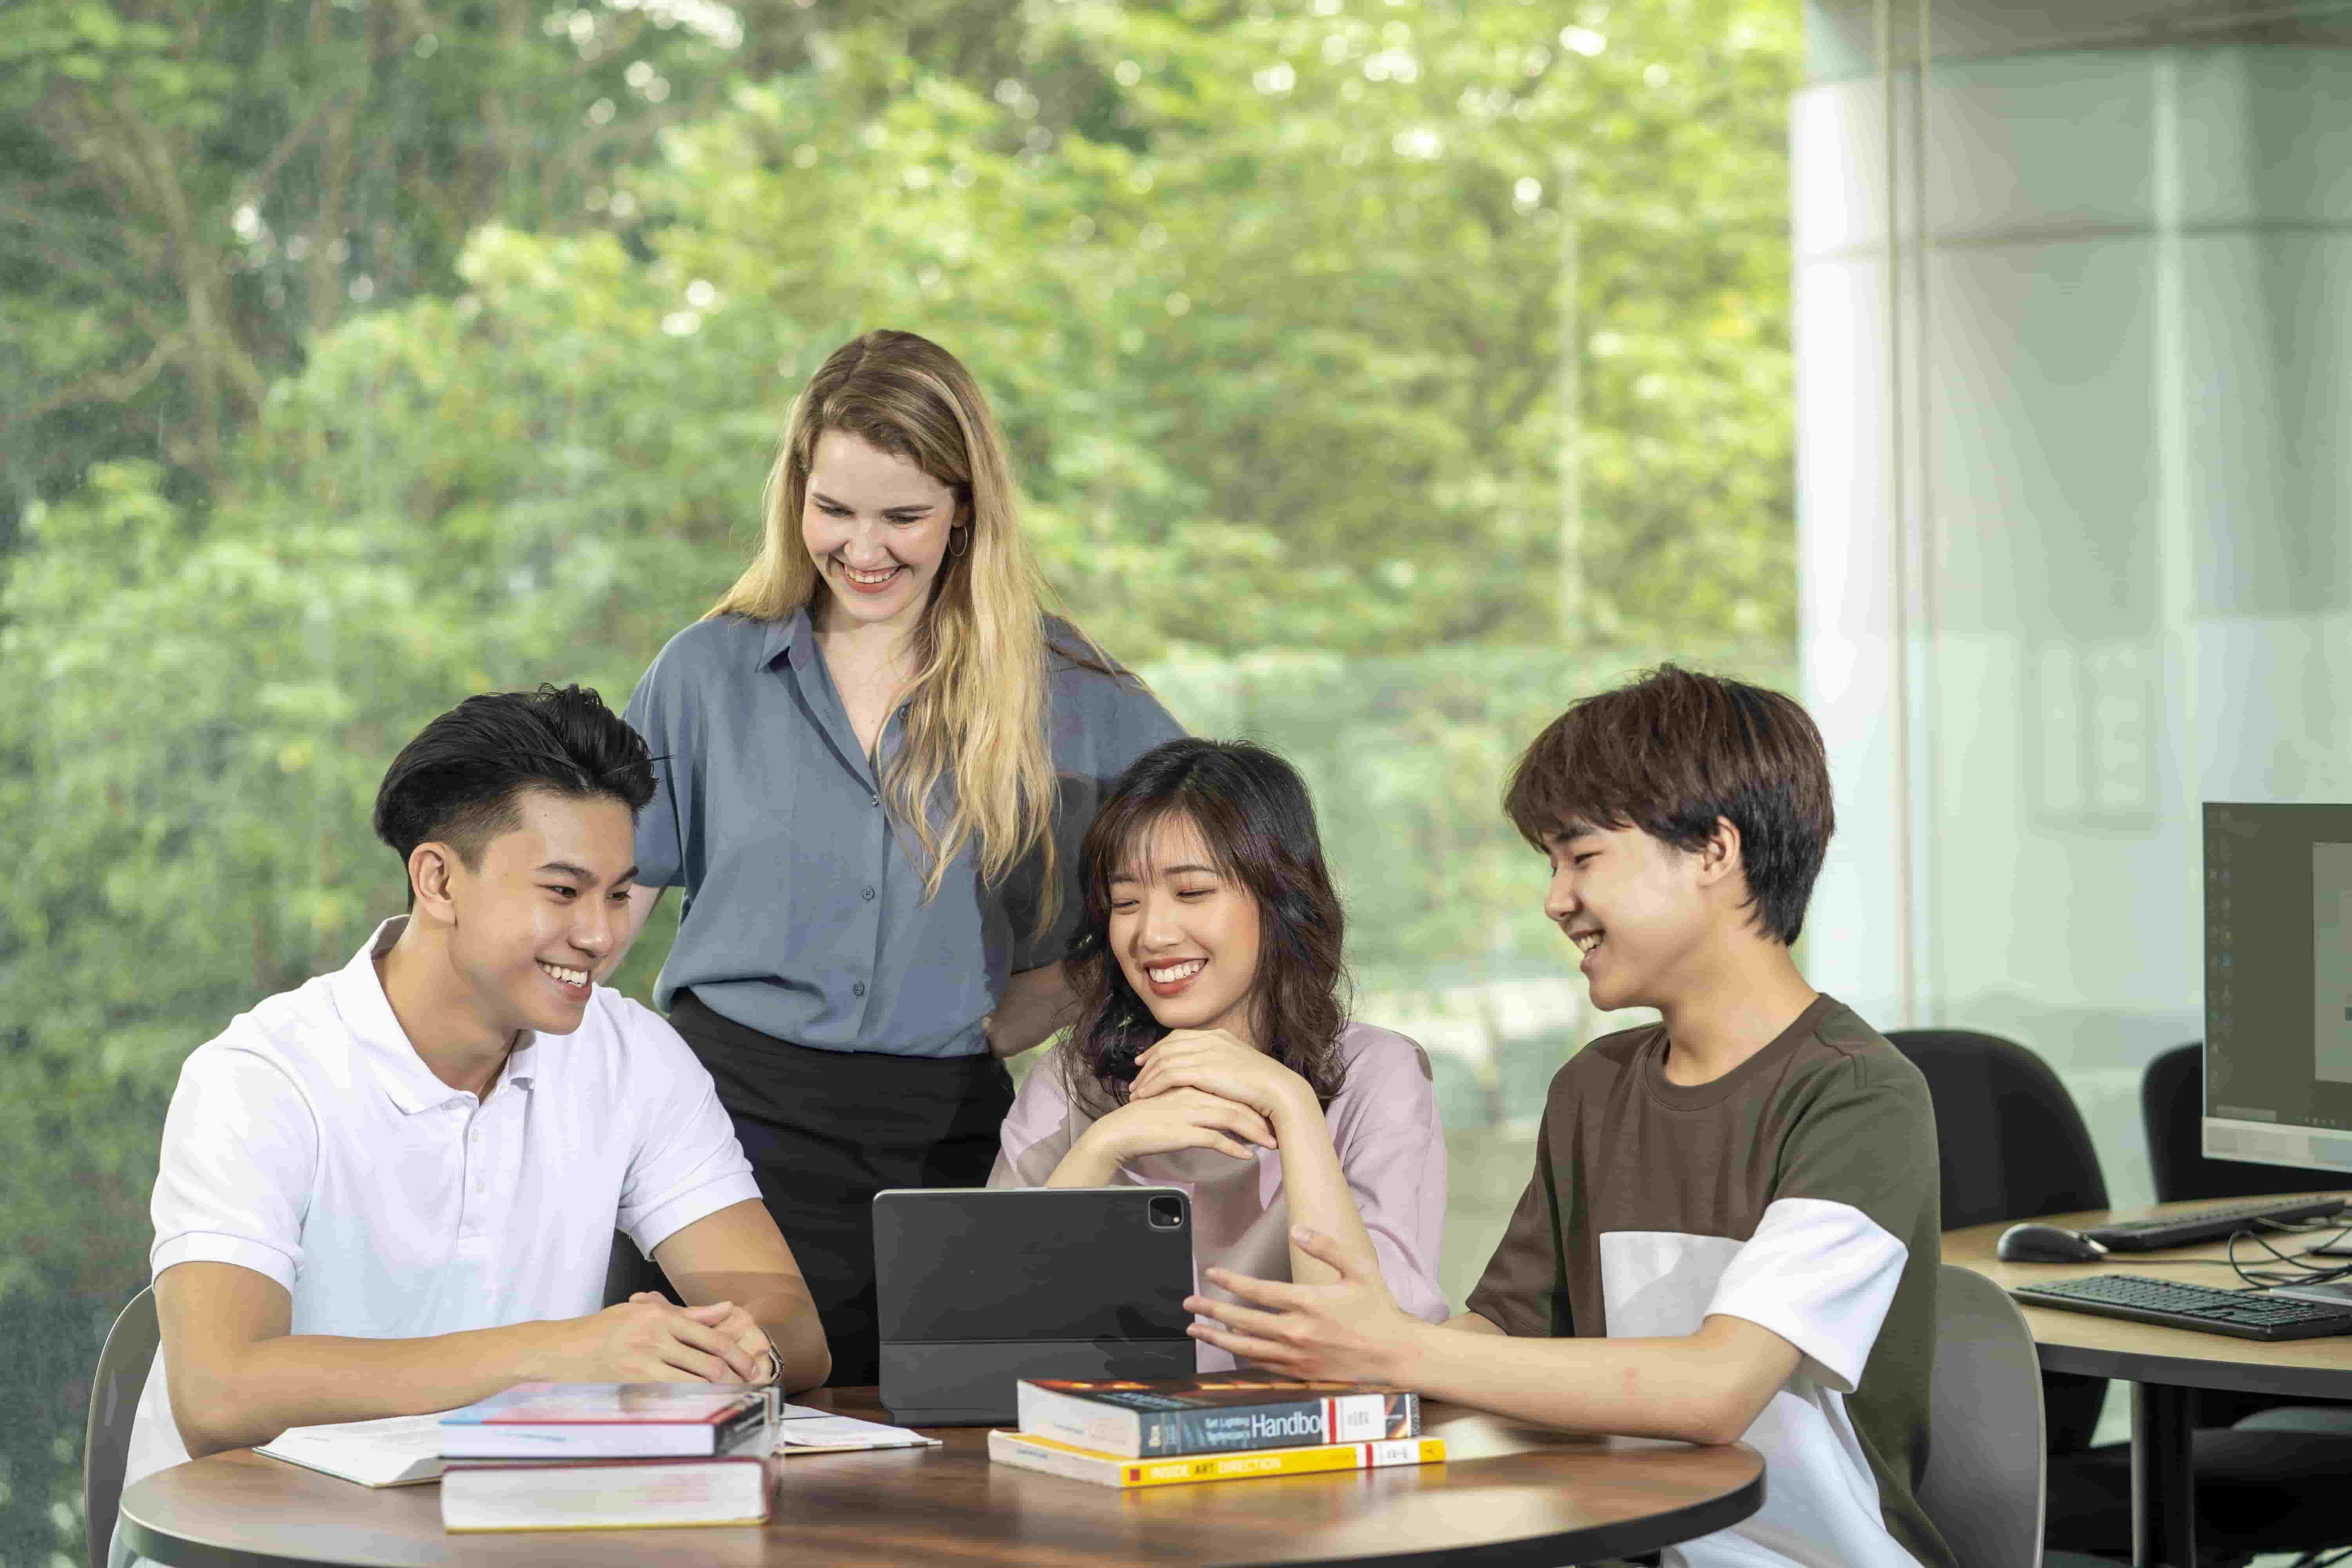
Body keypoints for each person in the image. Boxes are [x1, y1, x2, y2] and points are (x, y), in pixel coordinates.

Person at [1184, 666, 1958, 1568]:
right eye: (1551, 864)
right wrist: (1358, 1351)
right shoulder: (1595, 1085)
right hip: (1631, 1542)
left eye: (1582, 857)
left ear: (1715, 850)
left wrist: (1398, 1352)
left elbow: (1717, 1386)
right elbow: (1497, 1339)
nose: (1555, 898)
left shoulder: (1858, 1095)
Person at [610, 329, 1184, 1384]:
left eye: (904, 517)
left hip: (945, 1146)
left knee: (944, 1477)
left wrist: (1071, 987)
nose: (863, 548)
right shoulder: (707, 672)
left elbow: (1224, 871)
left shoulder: (1069, 690)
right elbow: (598, 924)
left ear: (965, 507)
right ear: (796, 495)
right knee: (707, 1476)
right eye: (834, 510)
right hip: (718, 1140)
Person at [120, 684, 829, 1530]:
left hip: (504, 1530)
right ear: (438, 879)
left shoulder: (635, 1057)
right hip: (247, 1540)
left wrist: (727, 1351)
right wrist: (567, 1354)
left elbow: (794, 1324)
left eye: (617, 894)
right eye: (563, 891)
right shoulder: (261, 1077)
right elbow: (220, 1392)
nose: (602, 935)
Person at [991, 737, 1448, 1365]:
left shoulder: (1379, 1074)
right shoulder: (1072, 1079)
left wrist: (1292, 1107)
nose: (1151, 934)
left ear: (1279, 897)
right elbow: (990, 1332)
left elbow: (1374, 1349)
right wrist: (1104, 1146)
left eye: (1193, 893)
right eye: (1126, 903)